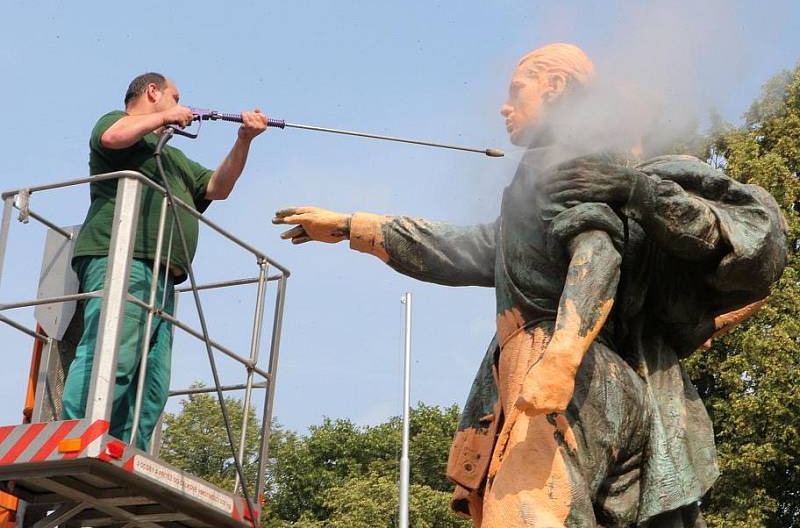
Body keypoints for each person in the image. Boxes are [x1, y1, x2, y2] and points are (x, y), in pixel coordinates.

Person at [271, 44, 787, 527]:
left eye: (517, 89)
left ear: (556, 87)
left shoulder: (569, 160)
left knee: (525, 512)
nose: (504, 105)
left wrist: (561, 361)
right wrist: (352, 226)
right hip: (588, 375)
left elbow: (596, 253)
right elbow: (468, 249)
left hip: (564, 364)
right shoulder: (545, 173)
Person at [62, 72, 268, 451]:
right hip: (122, 259)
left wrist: (244, 140)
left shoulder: (174, 158)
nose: (179, 106)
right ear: (152, 92)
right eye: (175, 98)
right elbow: (113, 137)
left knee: (151, 378)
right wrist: (163, 118)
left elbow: (217, 188)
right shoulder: (115, 123)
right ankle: (79, 434)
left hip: (163, 275)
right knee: (114, 354)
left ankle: (126, 449)